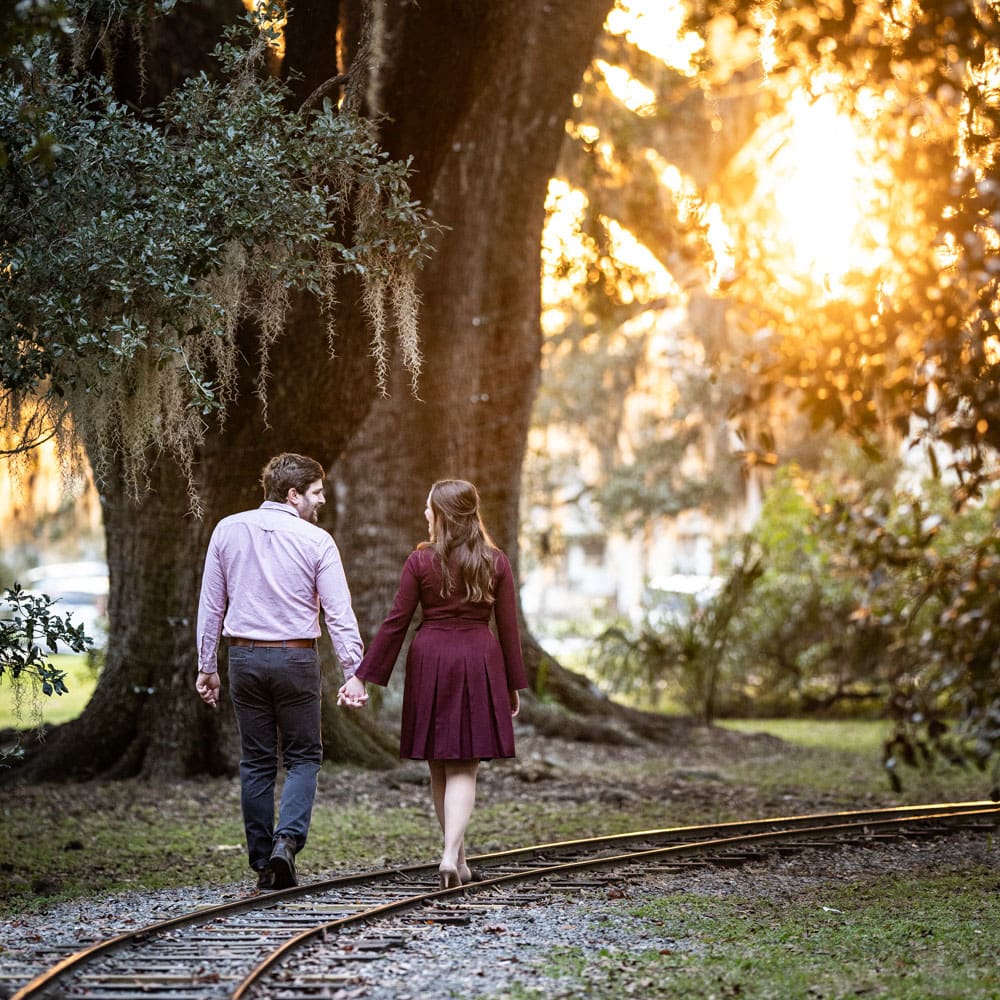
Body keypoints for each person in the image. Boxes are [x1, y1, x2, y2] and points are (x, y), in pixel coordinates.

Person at [339, 479, 528, 888]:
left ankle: (451, 856)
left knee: (440, 763)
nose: (425, 514)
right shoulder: (495, 561)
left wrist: (362, 676)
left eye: (429, 508)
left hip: (431, 659)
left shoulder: (420, 562)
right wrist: (511, 684)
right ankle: (454, 858)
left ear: (442, 514)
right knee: (465, 766)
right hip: (479, 659)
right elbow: (509, 630)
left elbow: (396, 623)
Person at [195, 452, 367, 892]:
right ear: (293, 495)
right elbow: (338, 612)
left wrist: (206, 666)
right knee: (304, 757)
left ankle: (261, 859)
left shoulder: (227, 530)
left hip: (244, 659)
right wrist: (353, 671)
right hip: (295, 660)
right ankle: (284, 844)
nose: (321, 501)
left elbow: (212, 605)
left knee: (255, 760)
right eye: (316, 493)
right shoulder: (317, 541)